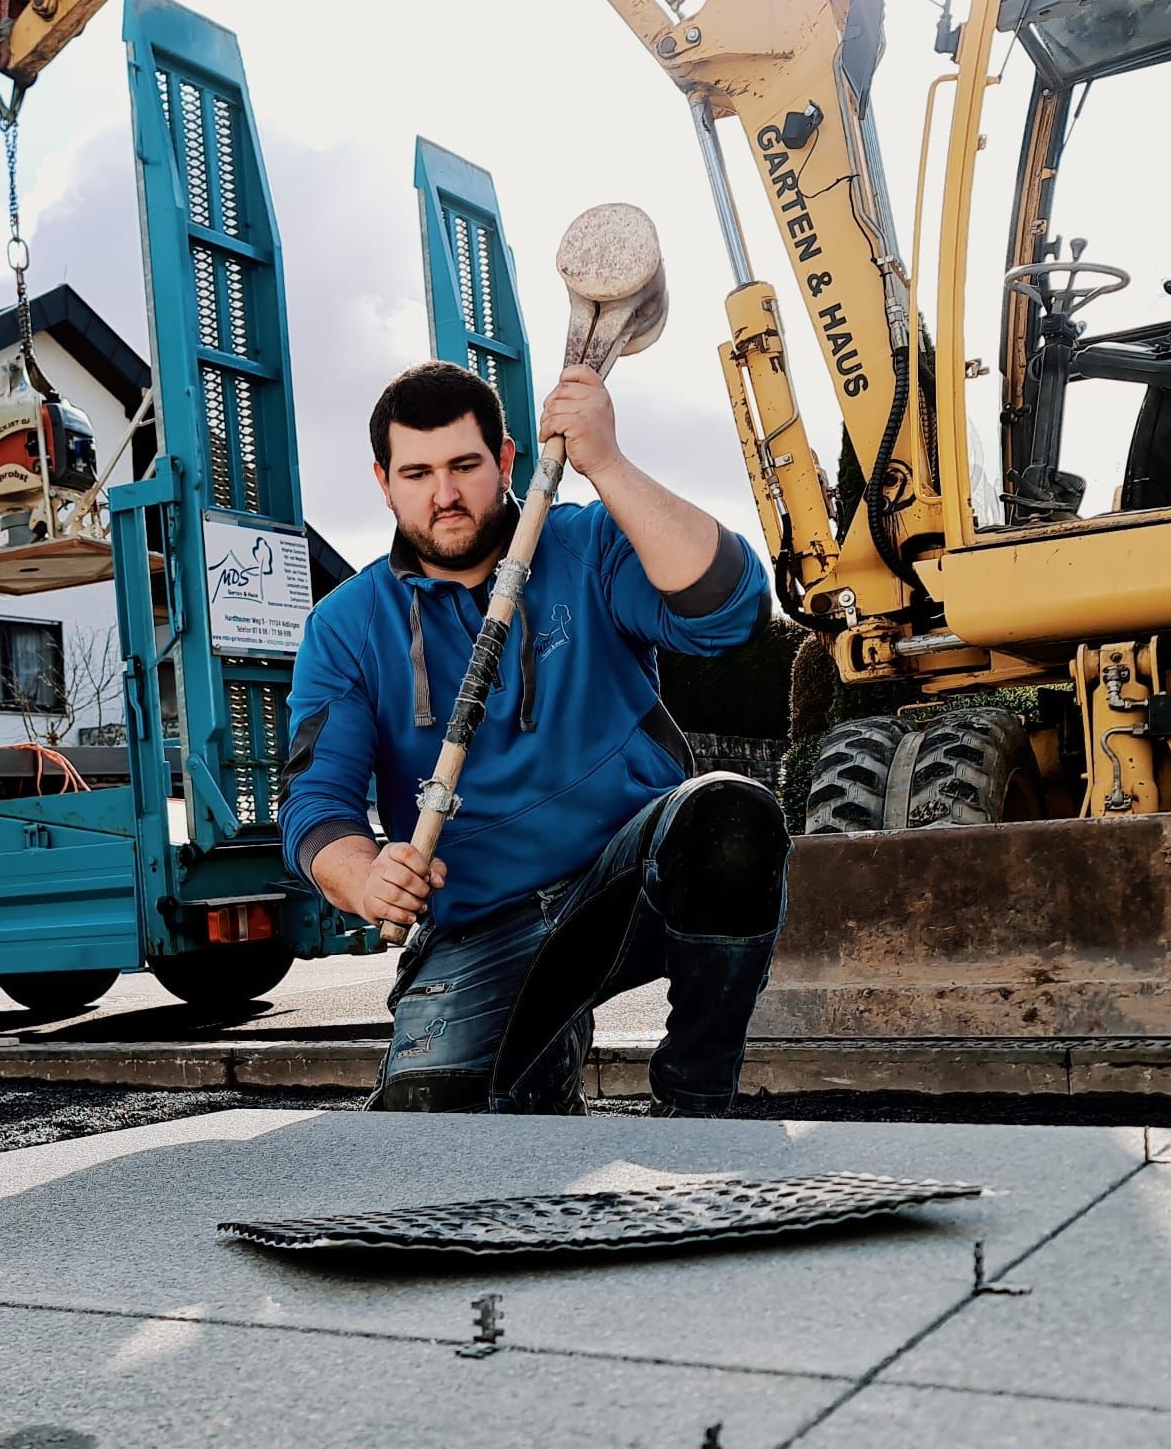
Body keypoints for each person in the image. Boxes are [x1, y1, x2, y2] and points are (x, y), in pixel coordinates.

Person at [278, 359, 790, 1114]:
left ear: (507, 460)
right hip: (481, 921)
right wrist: (362, 876)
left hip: (625, 883)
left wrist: (606, 463)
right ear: (383, 482)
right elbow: (316, 805)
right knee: (430, 1126)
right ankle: (542, 1073)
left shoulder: (586, 544)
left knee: (731, 816)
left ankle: (697, 1099)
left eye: (464, 465)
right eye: (416, 473)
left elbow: (731, 609)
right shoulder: (346, 625)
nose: (444, 495)